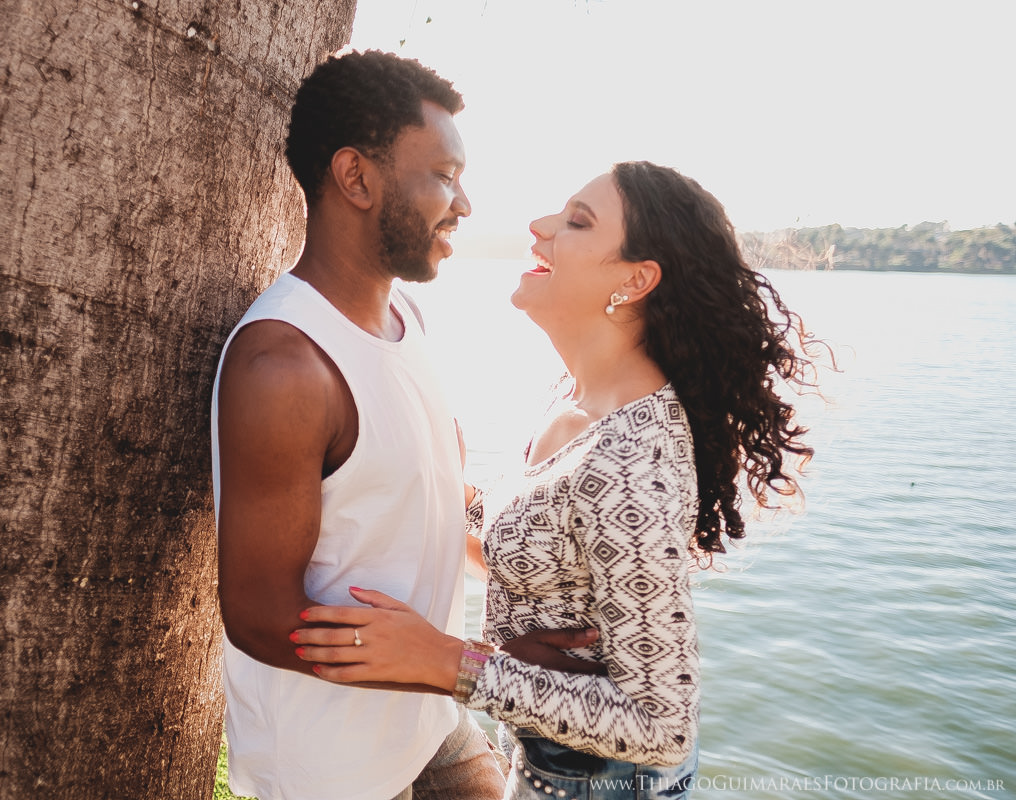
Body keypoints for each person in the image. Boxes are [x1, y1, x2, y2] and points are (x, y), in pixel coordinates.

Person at [292, 161, 822, 800]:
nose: (539, 227)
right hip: (553, 769)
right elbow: (528, 545)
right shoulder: (572, 397)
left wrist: (447, 660)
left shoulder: (634, 457)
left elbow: (662, 725)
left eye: (577, 222)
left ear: (635, 279)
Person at [213, 50, 596, 800]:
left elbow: (413, 506)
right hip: (338, 770)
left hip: (426, 719)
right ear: (355, 177)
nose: (466, 203)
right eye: (445, 176)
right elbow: (259, 615)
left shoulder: (405, 317)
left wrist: (515, 606)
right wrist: (469, 661)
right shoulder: (284, 366)